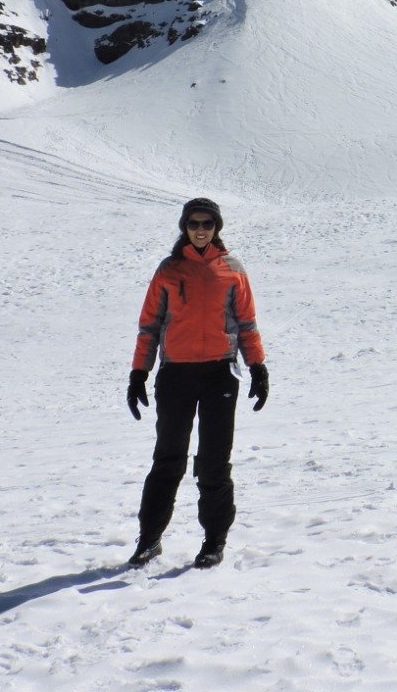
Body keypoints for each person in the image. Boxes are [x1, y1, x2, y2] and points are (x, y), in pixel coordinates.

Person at [125, 197, 268, 569]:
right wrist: (139, 373)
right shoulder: (170, 270)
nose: (200, 230)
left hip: (219, 373)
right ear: (184, 227)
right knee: (168, 460)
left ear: (217, 227)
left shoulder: (232, 270)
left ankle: (213, 541)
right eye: (193, 224)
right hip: (176, 375)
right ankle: (149, 539)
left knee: (214, 462)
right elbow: (149, 327)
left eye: (207, 224)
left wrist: (258, 368)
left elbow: (247, 324)